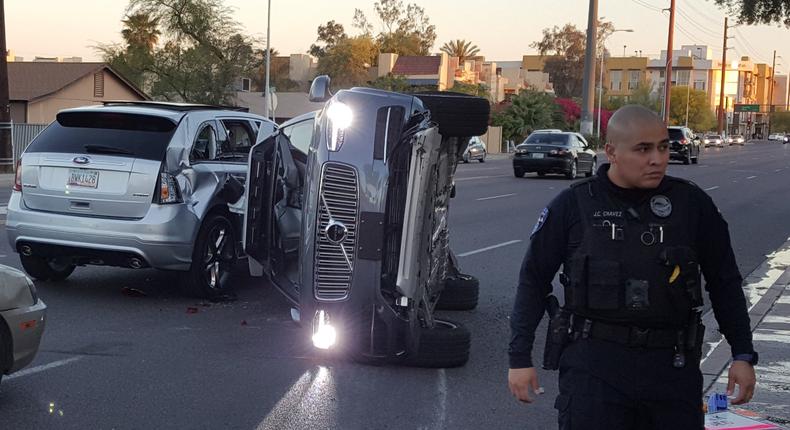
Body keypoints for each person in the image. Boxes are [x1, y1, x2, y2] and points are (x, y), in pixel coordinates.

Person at [507, 105, 757, 429]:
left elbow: (724, 282)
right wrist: (519, 358)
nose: (658, 159)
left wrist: (742, 353)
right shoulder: (575, 206)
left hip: (672, 370)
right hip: (594, 369)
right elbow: (533, 280)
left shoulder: (691, 205)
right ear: (611, 151)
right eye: (643, 149)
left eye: (663, 147)